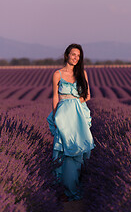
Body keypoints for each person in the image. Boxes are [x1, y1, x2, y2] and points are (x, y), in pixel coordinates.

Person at [47, 43, 95, 201]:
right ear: (67, 54)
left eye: (78, 56)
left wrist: (75, 103)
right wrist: (55, 117)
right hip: (63, 116)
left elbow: (87, 96)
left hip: (78, 115)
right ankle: (66, 187)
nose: (76, 58)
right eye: (73, 54)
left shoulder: (83, 73)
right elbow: (55, 97)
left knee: (79, 151)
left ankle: (75, 185)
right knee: (65, 150)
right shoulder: (57, 74)